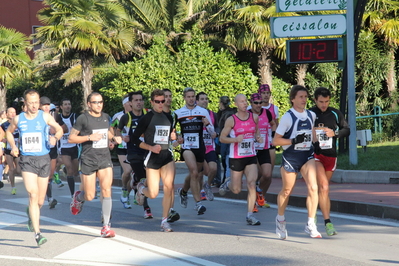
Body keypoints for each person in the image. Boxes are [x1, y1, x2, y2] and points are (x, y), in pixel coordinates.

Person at [6, 89, 63, 246]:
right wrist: (13, 146)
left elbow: (59, 129)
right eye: (30, 102)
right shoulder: (19, 119)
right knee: (33, 194)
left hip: (44, 159)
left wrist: (55, 138)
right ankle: (38, 234)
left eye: (36, 102)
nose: (34, 105)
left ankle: (31, 213)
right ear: (25, 103)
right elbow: (9, 132)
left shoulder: (44, 116)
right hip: (27, 159)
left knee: (40, 201)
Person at [69, 92, 122, 238]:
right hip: (88, 159)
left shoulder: (106, 117)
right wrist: (88, 137)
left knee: (106, 191)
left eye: (100, 102)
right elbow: (71, 138)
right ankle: (78, 197)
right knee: (90, 195)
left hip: (104, 158)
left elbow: (108, 132)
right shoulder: (83, 118)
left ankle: (106, 226)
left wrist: (114, 138)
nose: (98, 105)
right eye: (95, 102)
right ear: (89, 104)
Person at [272, 85, 321, 239]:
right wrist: (293, 140)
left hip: (307, 155)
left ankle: (310, 223)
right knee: (287, 190)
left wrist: (323, 138)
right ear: (293, 99)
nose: (304, 100)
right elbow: (275, 141)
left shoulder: (311, 115)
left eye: (306, 97)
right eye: (300, 97)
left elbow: (312, 135)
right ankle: (280, 219)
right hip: (291, 156)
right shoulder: (288, 117)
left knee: (314, 187)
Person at [133, 89, 177, 232]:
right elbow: (134, 140)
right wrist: (150, 148)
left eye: (162, 101)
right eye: (157, 101)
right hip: (152, 157)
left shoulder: (169, 118)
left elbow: (170, 135)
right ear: (152, 102)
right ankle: (141, 188)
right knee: (153, 193)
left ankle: (164, 221)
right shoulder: (146, 118)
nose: (160, 104)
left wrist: (174, 138)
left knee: (169, 186)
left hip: (166, 155)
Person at [310, 87, 350, 236]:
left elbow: (347, 129)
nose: (324, 105)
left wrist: (335, 133)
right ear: (315, 100)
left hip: (331, 155)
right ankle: (327, 222)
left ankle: (312, 212)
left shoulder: (335, 113)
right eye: (321, 101)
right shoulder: (309, 113)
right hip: (315, 155)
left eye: (326, 101)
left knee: (323, 190)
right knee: (324, 186)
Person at [218, 93, 262, 225]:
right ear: (236, 104)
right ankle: (228, 183)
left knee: (251, 184)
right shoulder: (231, 120)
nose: (244, 103)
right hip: (236, 157)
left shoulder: (254, 117)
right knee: (236, 190)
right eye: (241, 102)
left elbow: (257, 134)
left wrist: (259, 138)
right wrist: (235, 139)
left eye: (245, 101)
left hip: (250, 156)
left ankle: (250, 215)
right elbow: (222, 138)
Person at [175, 87, 215, 215]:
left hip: (200, 147)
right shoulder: (178, 113)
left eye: (193, 96)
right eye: (189, 97)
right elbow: (172, 130)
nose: (191, 99)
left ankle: (183, 191)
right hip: (187, 147)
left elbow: (213, 133)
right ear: (184, 98)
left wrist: (207, 124)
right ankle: (198, 203)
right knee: (193, 171)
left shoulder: (202, 111)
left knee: (196, 174)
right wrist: (177, 137)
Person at [118, 91, 153, 218]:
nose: (139, 102)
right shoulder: (126, 117)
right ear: (131, 103)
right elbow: (116, 131)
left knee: (147, 179)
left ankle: (134, 183)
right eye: (136, 100)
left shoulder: (149, 114)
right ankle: (146, 208)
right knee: (143, 179)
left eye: (140, 100)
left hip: (147, 151)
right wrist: (122, 137)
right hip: (133, 152)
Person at [248, 93, 275, 211]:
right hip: (251, 149)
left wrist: (273, 136)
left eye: (261, 103)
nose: (259, 105)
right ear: (251, 103)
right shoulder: (247, 114)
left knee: (267, 175)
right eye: (256, 103)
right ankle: (253, 201)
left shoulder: (267, 113)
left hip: (264, 148)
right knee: (255, 174)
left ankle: (259, 192)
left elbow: (273, 124)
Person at [40, 96, 67, 209]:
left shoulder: (54, 115)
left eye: (48, 105)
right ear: (39, 106)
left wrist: (55, 132)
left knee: (50, 174)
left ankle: (47, 195)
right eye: (44, 105)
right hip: (41, 150)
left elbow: (64, 128)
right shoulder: (36, 117)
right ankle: (49, 198)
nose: (46, 107)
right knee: (43, 175)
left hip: (52, 148)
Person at [111, 94, 134, 209]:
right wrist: (115, 138)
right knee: (128, 171)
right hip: (122, 148)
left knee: (135, 176)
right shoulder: (118, 116)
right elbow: (111, 129)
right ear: (125, 104)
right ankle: (124, 189)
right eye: (129, 102)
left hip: (135, 148)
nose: (132, 104)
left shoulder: (137, 115)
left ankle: (127, 194)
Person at [162, 88, 180, 223]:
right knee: (152, 187)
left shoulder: (174, 115)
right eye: (165, 96)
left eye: (170, 96)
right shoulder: (155, 114)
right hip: (155, 151)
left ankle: (170, 210)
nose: (168, 99)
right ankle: (141, 189)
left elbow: (173, 135)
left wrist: (176, 139)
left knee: (170, 183)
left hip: (168, 151)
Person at [196, 92, 218, 201]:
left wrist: (216, 133)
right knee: (202, 172)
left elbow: (218, 128)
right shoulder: (194, 115)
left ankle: (207, 185)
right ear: (197, 101)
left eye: (206, 99)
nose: (205, 101)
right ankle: (201, 191)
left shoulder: (213, 114)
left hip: (210, 146)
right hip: (198, 147)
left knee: (213, 169)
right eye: (202, 99)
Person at [57, 98, 80, 197]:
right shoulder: (57, 118)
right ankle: (72, 194)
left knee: (75, 172)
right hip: (64, 147)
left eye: (69, 104)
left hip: (74, 146)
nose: (67, 106)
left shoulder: (75, 117)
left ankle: (67, 171)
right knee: (70, 169)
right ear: (61, 107)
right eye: (65, 104)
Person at [258, 84, 279, 179]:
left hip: (270, 142)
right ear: (259, 94)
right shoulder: (252, 108)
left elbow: (276, 124)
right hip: (257, 143)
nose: (266, 95)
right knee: (259, 171)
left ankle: (262, 189)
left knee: (269, 171)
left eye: (268, 93)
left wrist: (275, 137)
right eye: (263, 93)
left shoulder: (274, 108)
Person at [216, 96, 237, 185]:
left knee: (225, 157)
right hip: (228, 136)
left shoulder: (226, 113)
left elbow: (220, 125)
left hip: (226, 136)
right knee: (227, 158)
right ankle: (227, 178)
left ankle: (227, 179)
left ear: (221, 103)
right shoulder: (231, 111)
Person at [1, 107, 20, 195]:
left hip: (18, 149)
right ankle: (13, 187)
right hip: (8, 150)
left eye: (14, 112)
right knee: (11, 168)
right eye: (11, 112)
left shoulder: (19, 124)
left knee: (19, 170)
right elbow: (1, 136)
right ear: (7, 114)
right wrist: (3, 139)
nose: (13, 114)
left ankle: (10, 176)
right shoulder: (3, 125)